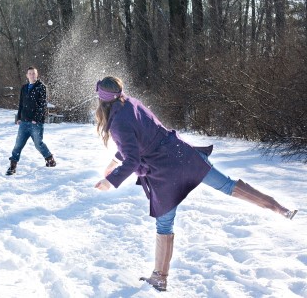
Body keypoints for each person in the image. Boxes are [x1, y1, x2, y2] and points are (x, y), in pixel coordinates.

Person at [93, 76, 298, 292]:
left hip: (164, 171)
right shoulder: (132, 103)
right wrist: (115, 161)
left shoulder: (117, 123)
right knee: (228, 185)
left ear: (101, 100)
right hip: (183, 154)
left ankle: (160, 278)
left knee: (164, 225)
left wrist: (110, 180)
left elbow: (133, 158)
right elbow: (141, 138)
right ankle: (280, 209)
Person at [6, 66, 56, 175]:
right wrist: (19, 117)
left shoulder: (41, 87)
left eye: (34, 73)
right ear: (27, 75)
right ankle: (12, 166)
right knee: (18, 145)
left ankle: (50, 160)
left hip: (36, 123)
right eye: (30, 73)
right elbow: (21, 104)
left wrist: (36, 118)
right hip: (24, 122)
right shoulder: (24, 88)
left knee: (38, 144)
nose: (32, 75)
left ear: (37, 75)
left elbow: (42, 104)